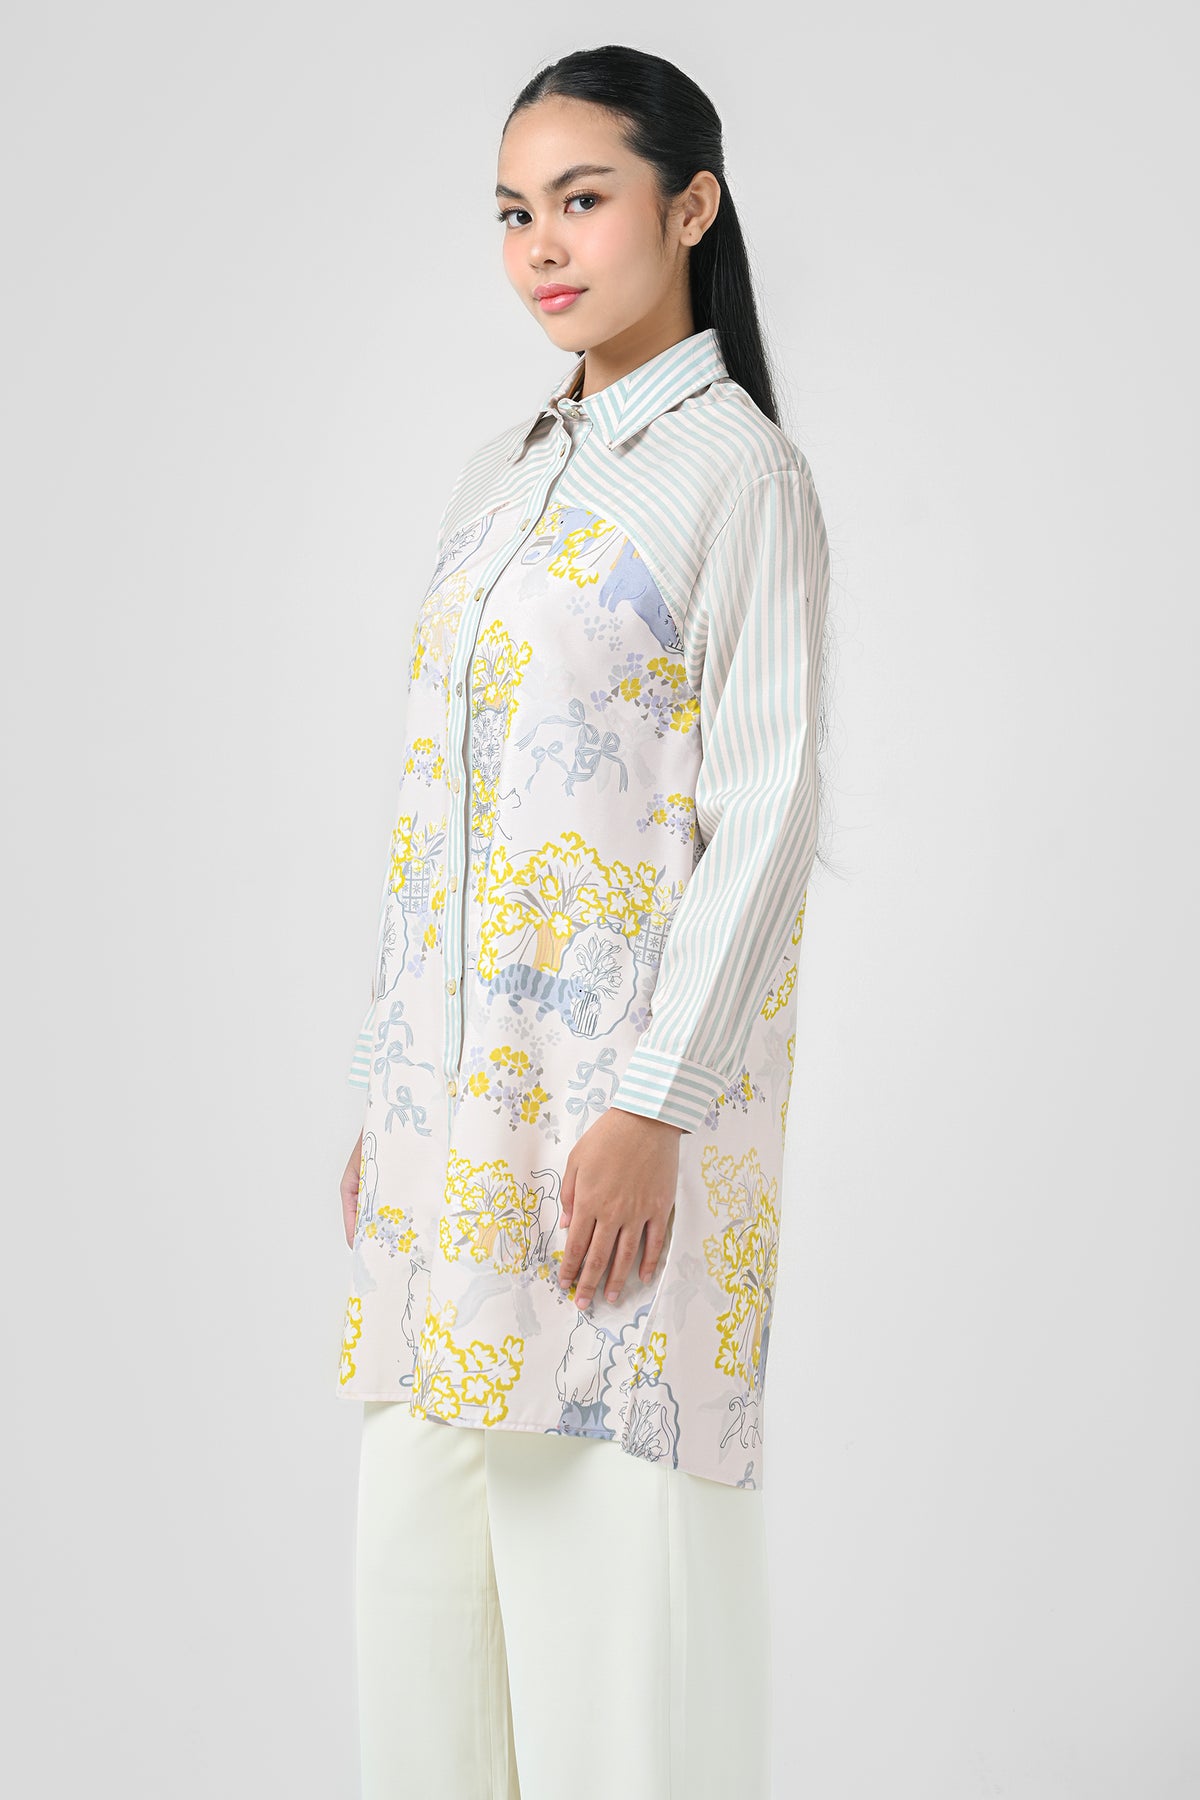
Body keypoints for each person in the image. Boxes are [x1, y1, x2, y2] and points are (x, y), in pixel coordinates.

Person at [335, 42, 832, 1800]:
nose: (541, 246)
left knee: (629, 1688)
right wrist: (391, 1098)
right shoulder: (502, 472)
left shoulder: (736, 476)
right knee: (424, 1685)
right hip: (445, 1165)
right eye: (511, 212)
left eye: (582, 199)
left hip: (609, 1153)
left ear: (692, 207)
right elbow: (445, 814)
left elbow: (763, 822)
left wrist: (655, 1109)